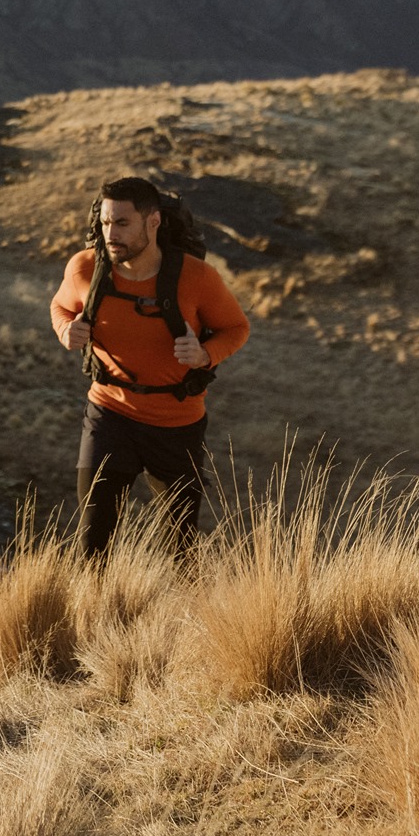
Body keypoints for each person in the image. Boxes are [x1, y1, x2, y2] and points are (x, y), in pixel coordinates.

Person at [48, 176, 250, 559]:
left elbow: (237, 328)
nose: (111, 234)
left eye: (122, 223)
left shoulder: (197, 278)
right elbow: (60, 307)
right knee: (93, 544)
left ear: (153, 222)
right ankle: (92, 613)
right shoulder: (85, 269)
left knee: (180, 547)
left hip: (176, 424)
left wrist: (206, 354)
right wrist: (65, 330)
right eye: (106, 223)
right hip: (109, 414)